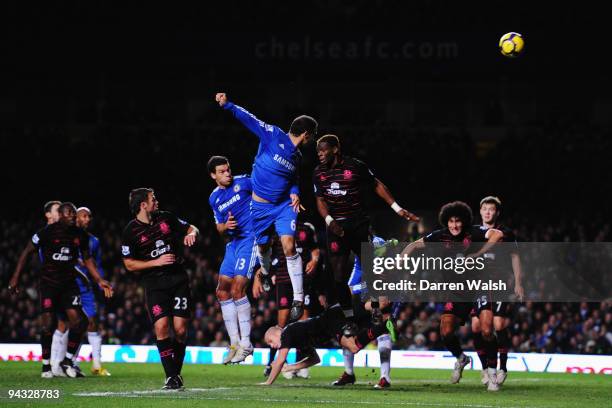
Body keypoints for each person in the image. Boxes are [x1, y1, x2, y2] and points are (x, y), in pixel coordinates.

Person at [216, 92, 318, 321]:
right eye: (313, 135)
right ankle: (263, 272)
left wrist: (295, 194)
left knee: (289, 245)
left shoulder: (298, 157)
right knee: (263, 248)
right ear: (306, 134)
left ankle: (298, 299)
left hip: (282, 207)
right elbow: (249, 118)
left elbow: (293, 179)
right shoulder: (273, 135)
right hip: (260, 207)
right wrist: (227, 105)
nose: (313, 140)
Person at [313, 134, 418, 321]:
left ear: (335, 149)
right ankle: (349, 318)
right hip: (335, 227)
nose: (319, 154)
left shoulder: (355, 166)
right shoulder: (318, 173)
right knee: (337, 277)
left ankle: (376, 309)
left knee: (371, 269)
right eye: (317, 151)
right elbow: (320, 201)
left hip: (358, 224)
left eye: (323, 150)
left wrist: (396, 208)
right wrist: (330, 221)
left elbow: (376, 184)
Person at [401, 201, 503, 391]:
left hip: (479, 287)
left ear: (463, 221)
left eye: (457, 221)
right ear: (446, 223)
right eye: (451, 221)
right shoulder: (440, 236)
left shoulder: (474, 232)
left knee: (487, 331)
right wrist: (402, 258)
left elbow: (497, 234)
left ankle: (491, 372)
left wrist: (479, 253)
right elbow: (414, 245)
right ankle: (461, 358)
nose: (454, 225)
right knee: (446, 333)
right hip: (456, 291)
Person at [9, 202, 113, 378]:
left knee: (80, 321)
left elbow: (88, 260)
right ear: (62, 215)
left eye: (74, 213)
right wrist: (15, 277)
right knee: (48, 324)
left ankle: (68, 359)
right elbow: (27, 252)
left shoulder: (80, 235)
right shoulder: (47, 232)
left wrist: (99, 280)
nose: (73, 216)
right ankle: (46, 365)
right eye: (69, 213)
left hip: (69, 284)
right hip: (49, 284)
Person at [121, 188, 199, 390]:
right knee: (161, 327)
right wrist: (155, 262)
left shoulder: (166, 218)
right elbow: (129, 264)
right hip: (154, 285)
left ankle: (176, 373)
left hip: (178, 279)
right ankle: (171, 376)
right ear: (143, 205)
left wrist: (192, 234)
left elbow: (192, 228)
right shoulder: (130, 231)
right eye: (152, 199)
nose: (156, 201)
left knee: (181, 330)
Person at [261, 304, 395, 385]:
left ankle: (384, 325)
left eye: (270, 341)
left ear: (276, 332)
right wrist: (291, 367)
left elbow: (279, 361)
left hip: (330, 320)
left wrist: (268, 382)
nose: (272, 345)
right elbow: (315, 359)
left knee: (353, 346)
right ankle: (382, 324)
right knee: (355, 338)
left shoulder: (286, 333)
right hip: (331, 319)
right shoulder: (297, 339)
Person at [254, 220, 321, 379]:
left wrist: (314, 260)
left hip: (303, 280)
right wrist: (261, 274)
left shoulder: (306, 228)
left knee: (304, 324)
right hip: (284, 281)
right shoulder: (276, 227)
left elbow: (315, 249)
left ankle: (300, 364)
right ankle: (272, 364)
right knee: (282, 324)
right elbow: (267, 253)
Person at [208, 156, 257, 364]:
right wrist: (225, 226)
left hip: (250, 239)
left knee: (237, 289)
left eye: (228, 169)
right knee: (221, 290)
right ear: (213, 175)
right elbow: (218, 226)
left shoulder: (244, 182)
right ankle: (234, 343)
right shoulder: (214, 198)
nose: (227, 173)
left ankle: (246, 344)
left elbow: (267, 192)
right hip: (233, 243)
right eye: (222, 171)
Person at [471, 196, 523, 387]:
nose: (487, 212)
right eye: (484, 208)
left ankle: (502, 368)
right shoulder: (474, 232)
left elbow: (515, 257)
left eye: (491, 209)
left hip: (499, 283)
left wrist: (518, 282)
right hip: (478, 285)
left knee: (499, 324)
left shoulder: (506, 233)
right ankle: (485, 369)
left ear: (497, 212)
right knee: (477, 327)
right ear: (480, 211)